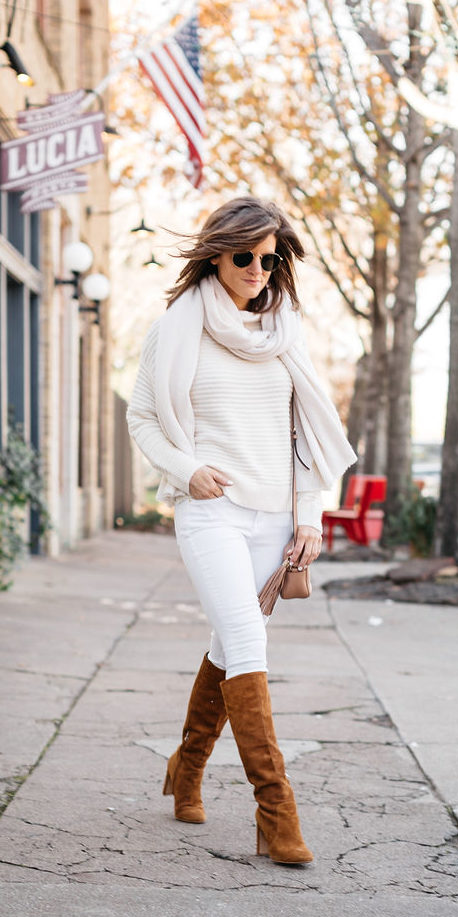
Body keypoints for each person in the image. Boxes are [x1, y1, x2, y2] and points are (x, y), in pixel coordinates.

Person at [127, 197, 356, 865]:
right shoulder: (176, 328)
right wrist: (186, 466)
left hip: (275, 518)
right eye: (244, 255)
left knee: (231, 641)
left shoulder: (285, 330)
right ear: (216, 253)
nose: (259, 268)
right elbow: (142, 418)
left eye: (270, 256)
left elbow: (305, 433)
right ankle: (276, 810)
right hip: (211, 511)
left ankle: (186, 766)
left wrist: (309, 516)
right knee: (247, 637)